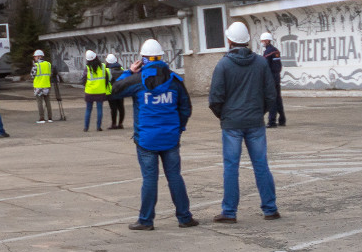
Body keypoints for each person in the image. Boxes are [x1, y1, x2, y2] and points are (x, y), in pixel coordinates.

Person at [111, 38, 196, 231]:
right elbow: (186, 108)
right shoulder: (174, 80)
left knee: (149, 179)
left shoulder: (137, 80)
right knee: (174, 176)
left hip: (146, 139)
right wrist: (179, 129)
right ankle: (185, 217)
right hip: (170, 138)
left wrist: (129, 71)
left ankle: (146, 220)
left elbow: (115, 90)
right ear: (161, 57)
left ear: (143, 59)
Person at [209, 22, 280, 223]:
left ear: (229, 40)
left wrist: (225, 116)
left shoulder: (223, 65)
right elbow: (271, 94)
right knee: (261, 165)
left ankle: (229, 212)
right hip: (255, 121)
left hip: (232, 123)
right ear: (248, 40)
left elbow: (215, 98)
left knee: (231, 167)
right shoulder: (260, 63)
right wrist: (259, 112)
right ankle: (270, 208)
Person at [260, 32, 286, 127]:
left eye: (263, 40)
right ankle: (282, 119)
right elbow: (278, 66)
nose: (262, 42)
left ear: (267, 40)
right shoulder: (276, 51)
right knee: (278, 99)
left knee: (272, 100)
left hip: (271, 79)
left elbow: (265, 67)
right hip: (276, 78)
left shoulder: (268, 52)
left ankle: (272, 121)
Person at [82, 49, 110, 131]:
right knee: (99, 109)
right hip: (100, 91)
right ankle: (98, 127)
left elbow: (83, 80)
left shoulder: (87, 68)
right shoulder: (103, 67)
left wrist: (86, 86)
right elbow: (107, 78)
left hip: (90, 91)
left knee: (88, 110)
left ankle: (86, 127)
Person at [104, 53, 127, 130]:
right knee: (121, 107)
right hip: (120, 91)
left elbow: (106, 82)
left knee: (113, 109)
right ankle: (120, 124)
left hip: (111, 92)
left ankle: (113, 124)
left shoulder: (107, 70)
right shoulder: (121, 69)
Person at [30, 49, 54, 122]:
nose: (34, 58)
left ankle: (42, 118)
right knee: (47, 102)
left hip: (38, 86)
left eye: (35, 57)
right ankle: (50, 118)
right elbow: (51, 74)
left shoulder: (36, 65)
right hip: (47, 85)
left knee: (39, 102)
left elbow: (32, 75)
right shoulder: (48, 64)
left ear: (39, 56)